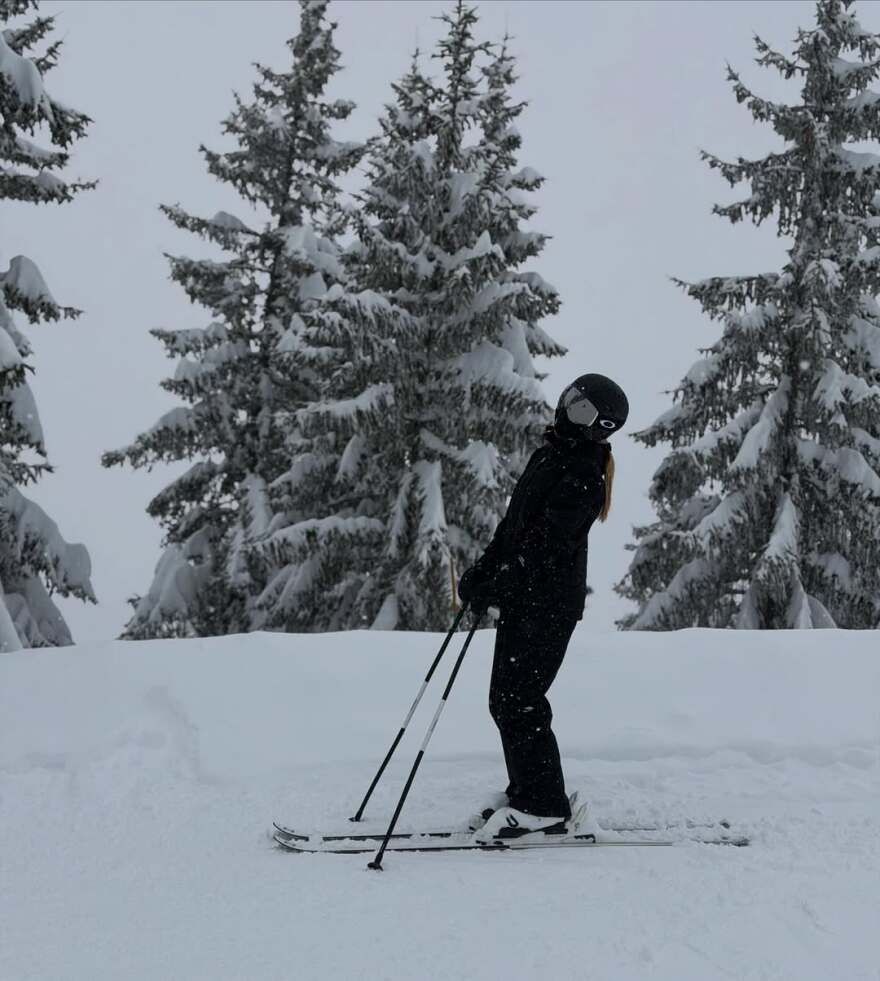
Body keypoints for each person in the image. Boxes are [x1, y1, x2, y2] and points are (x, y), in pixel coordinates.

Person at [457, 373, 629, 840]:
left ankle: (543, 805)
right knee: (506, 700)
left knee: (521, 701)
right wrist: (484, 571)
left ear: (600, 426)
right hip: (527, 600)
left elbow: (544, 547)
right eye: (571, 401)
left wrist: (502, 581)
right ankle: (526, 791)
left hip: (548, 605)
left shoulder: (583, 475)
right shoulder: (552, 455)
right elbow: (515, 526)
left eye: (582, 410)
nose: (568, 411)